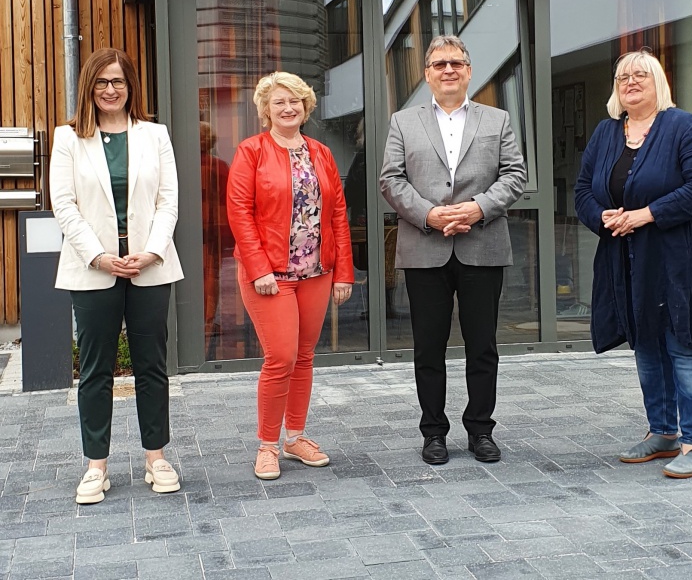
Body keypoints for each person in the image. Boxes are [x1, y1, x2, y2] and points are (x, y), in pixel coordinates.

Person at [574, 49, 692, 479]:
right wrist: (603, 217)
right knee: (646, 344)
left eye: (640, 75)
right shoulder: (606, 132)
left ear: (658, 82)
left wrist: (646, 214)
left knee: (685, 343)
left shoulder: (683, 126)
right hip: (630, 258)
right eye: (623, 77)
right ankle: (663, 433)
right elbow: (583, 189)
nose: (631, 82)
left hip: (682, 258)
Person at [380, 35, 526, 465]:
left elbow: (514, 175)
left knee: (483, 346)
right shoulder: (403, 122)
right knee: (429, 348)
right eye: (440, 64)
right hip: (426, 247)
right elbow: (390, 179)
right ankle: (434, 433)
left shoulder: (497, 119)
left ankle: (481, 430)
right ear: (427, 73)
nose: (448, 70)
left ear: (468, 71)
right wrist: (430, 214)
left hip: (482, 246)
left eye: (456, 63)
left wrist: (478, 208)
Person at [50, 47, 184, 504]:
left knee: (152, 367)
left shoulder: (155, 135)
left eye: (118, 81)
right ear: (89, 87)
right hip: (93, 270)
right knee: (95, 371)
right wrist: (99, 256)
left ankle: (156, 458)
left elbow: (168, 200)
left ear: (131, 87)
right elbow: (64, 205)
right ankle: (96, 466)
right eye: (102, 82)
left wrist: (152, 252)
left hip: (150, 266)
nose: (110, 89)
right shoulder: (68, 138)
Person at [227, 71, 354, 481]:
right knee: (280, 357)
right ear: (266, 110)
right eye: (279, 102)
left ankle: (295, 438)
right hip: (270, 276)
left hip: (316, 272)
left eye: (295, 100)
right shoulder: (251, 151)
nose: (288, 108)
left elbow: (338, 214)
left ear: (306, 106)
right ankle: (267, 445)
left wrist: (343, 272)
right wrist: (259, 268)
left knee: (303, 356)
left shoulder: (321, 153)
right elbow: (240, 214)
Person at [199, 121, 232, 358]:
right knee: (211, 276)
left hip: (193, 230)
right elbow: (227, 201)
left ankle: (204, 322)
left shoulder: (181, 164)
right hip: (212, 232)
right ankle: (207, 322)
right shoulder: (218, 166)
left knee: (203, 276)